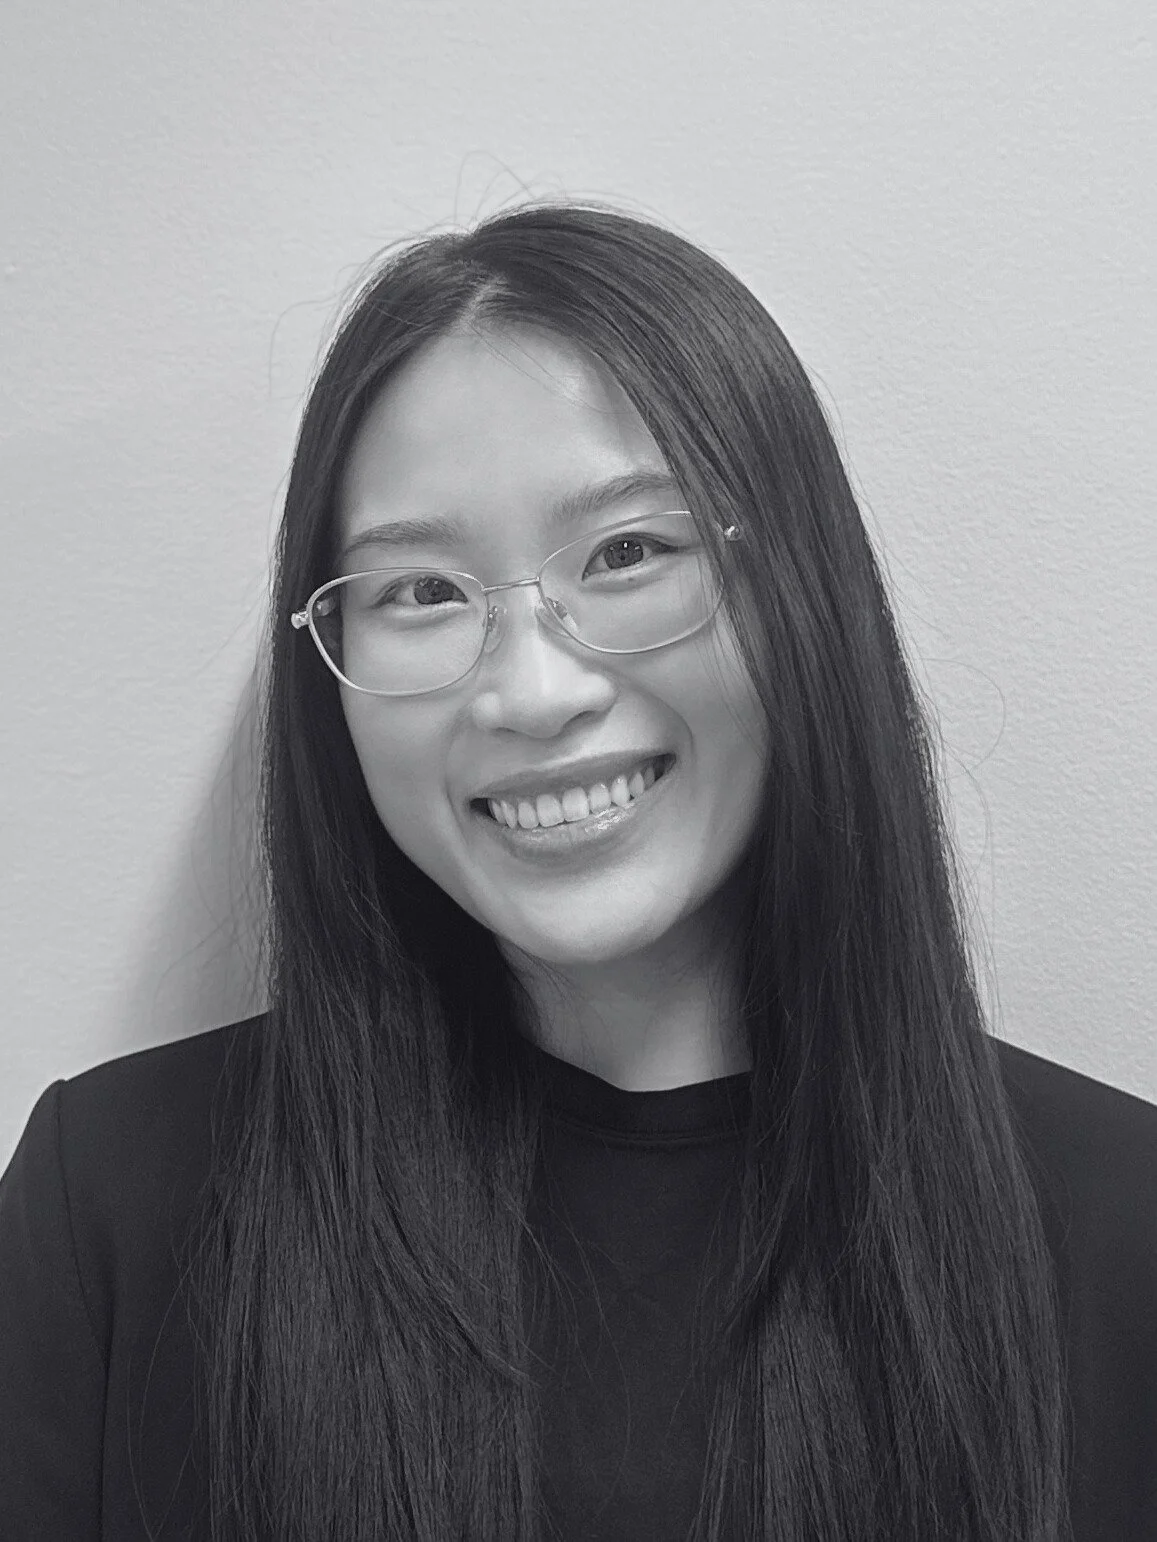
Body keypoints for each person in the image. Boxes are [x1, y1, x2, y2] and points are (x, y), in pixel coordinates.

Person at [1, 202, 1154, 1542]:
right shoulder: (113, 1209)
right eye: (422, 590)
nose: (532, 692)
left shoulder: (1118, 1227)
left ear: (803, 596)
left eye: (629, 553)